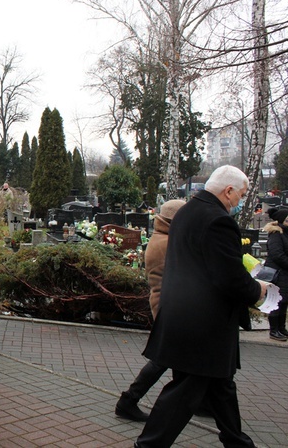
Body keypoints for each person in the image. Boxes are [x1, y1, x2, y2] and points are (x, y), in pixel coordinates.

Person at [136, 166, 270, 448]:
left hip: (185, 314)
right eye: (242, 195)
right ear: (228, 191)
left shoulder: (186, 212)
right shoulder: (217, 220)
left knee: (221, 386)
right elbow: (228, 277)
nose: (241, 202)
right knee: (184, 392)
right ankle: (148, 445)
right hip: (204, 324)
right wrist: (257, 290)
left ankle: (237, 441)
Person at [115, 199, 186, 422]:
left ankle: (199, 400)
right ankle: (128, 401)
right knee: (163, 359)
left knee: (179, 359)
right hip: (170, 306)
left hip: (170, 304)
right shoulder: (167, 242)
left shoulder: (167, 238)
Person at [263, 207, 288, 341]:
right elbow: (277, 254)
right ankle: (274, 330)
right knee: (276, 302)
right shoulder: (276, 234)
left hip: (284, 273)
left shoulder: (285, 233)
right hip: (277, 273)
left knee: (284, 302)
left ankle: (281, 328)